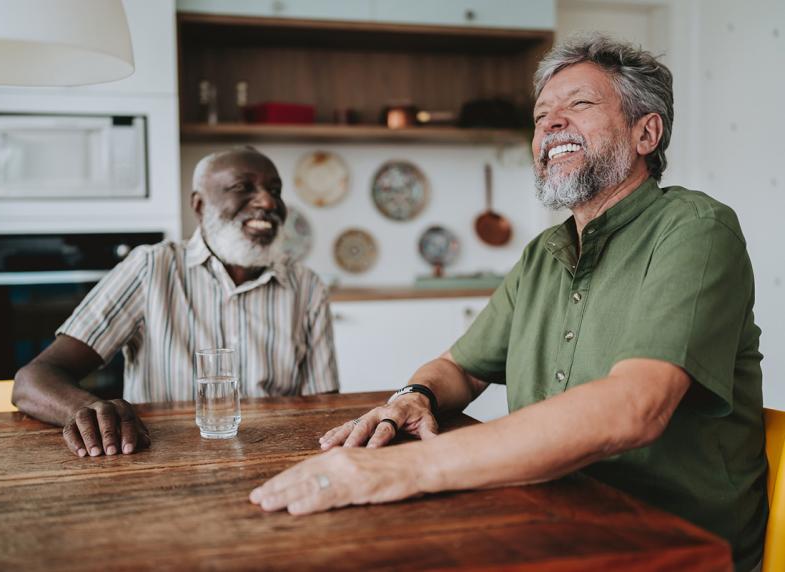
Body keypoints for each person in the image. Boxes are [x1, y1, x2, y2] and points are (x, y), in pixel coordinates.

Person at [249, 35, 767, 572]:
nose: (550, 124)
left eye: (579, 105)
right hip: (549, 518)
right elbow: (459, 367)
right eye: (541, 115)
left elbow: (634, 407)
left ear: (646, 132)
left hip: (674, 545)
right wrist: (416, 394)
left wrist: (407, 469)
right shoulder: (544, 252)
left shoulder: (695, 229)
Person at [13, 148, 339, 458]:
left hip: (274, 457)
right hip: (160, 460)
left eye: (275, 189)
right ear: (199, 205)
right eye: (242, 187)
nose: (268, 201)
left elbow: (324, 407)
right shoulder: (150, 267)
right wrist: (83, 409)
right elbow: (32, 380)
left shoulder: (307, 286)